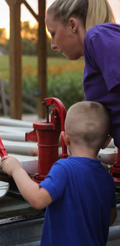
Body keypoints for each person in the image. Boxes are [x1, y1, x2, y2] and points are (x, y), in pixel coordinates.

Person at [2, 101, 117, 246]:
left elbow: (37, 199)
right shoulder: (106, 178)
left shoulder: (63, 168)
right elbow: (110, 218)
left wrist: (17, 170)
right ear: (106, 142)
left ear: (64, 138)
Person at [46, 0, 120, 147]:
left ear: (72, 25)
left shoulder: (98, 36)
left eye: (53, 33)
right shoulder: (96, 48)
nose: (53, 45)